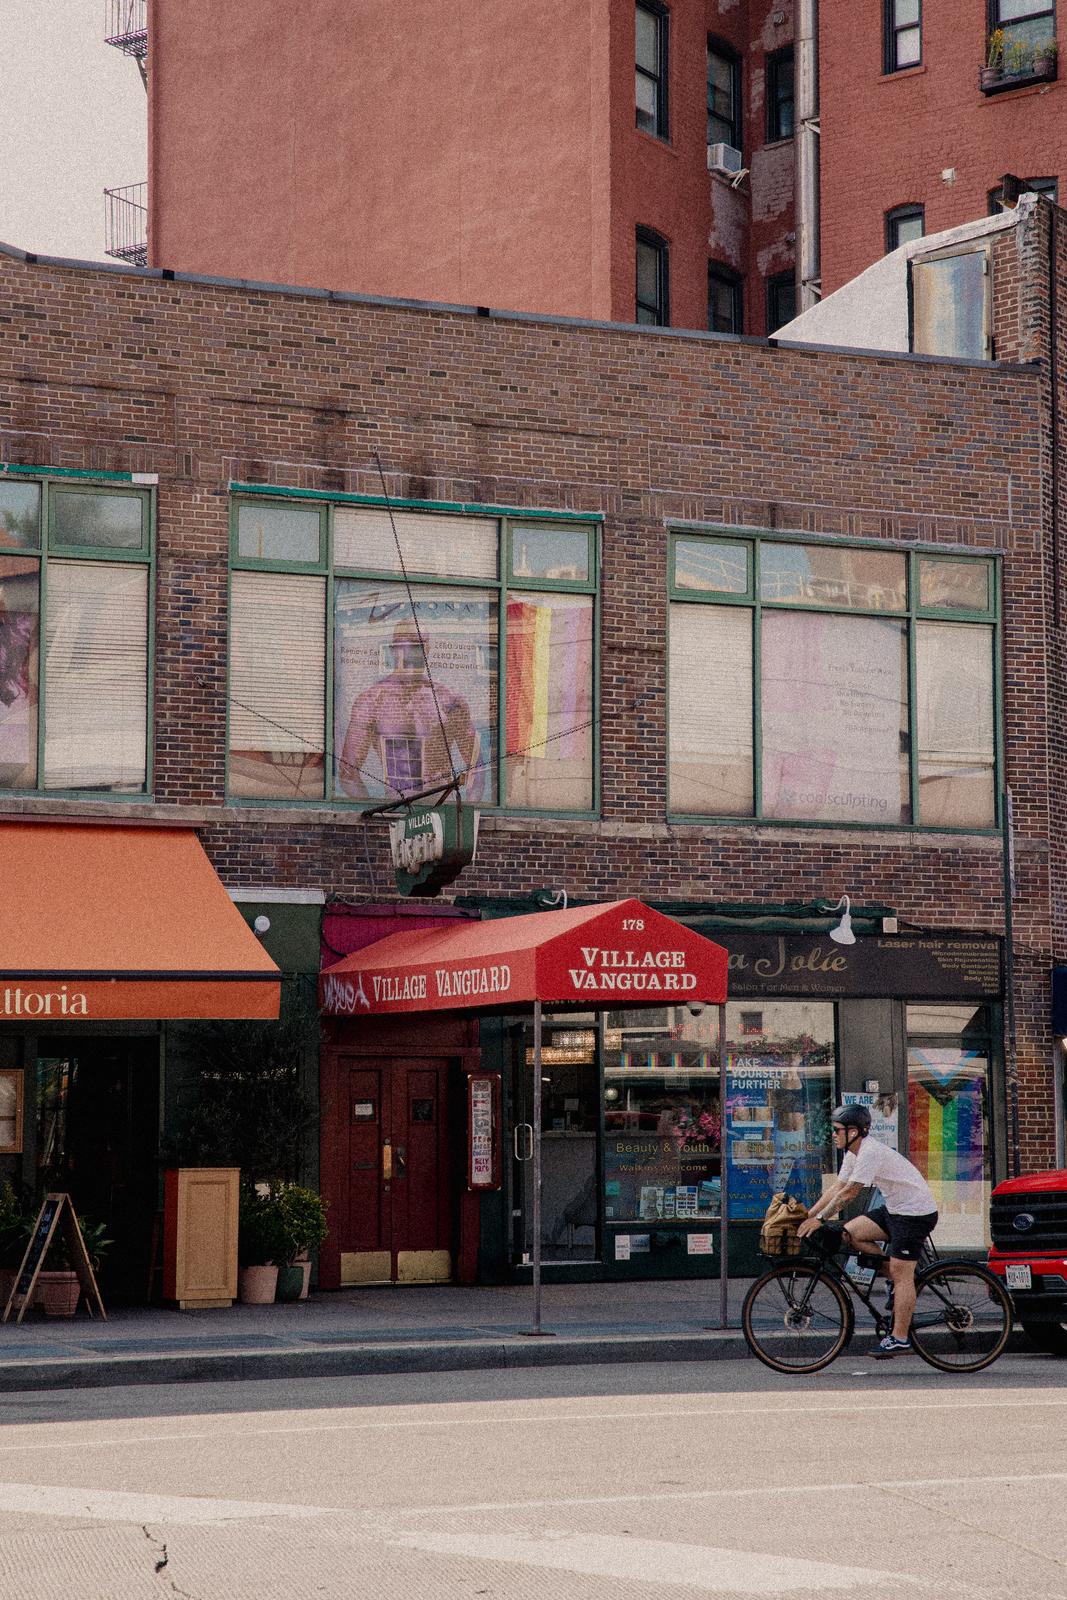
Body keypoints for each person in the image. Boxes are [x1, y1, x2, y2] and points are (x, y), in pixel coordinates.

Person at [796, 1102, 938, 1358]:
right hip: (894, 1210)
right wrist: (808, 1215)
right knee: (849, 1234)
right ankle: (897, 1278)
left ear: (854, 1132)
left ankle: (900, 1338)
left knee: (902, 1274)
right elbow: (836, 1188)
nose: (833, 1134)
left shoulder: (870, 1152)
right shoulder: (853, 1154)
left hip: (915, 1213)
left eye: (838, 1129)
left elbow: (850, 1193)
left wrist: (820, 1219)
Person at [337, 618, 482, 801]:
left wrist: (464, 817)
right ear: (393, 648)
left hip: (440, 806)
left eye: (417, 645)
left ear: (427, 649)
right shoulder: (371, 702)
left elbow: (477, 767)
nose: (410, 651)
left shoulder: (449, 701)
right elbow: (348, 771)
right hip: (397, 805)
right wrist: (376, 815)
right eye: (405, 643)